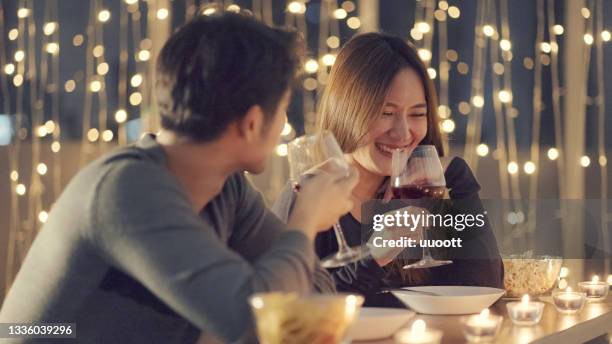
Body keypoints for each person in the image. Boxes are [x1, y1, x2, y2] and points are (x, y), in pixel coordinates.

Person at [0, 12, 356, 343]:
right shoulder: (126, 189)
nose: (283, 126)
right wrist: (306, 220)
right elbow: (252, 320)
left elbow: (313, 292)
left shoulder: (227, 187)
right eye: (282, 110)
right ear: (250, 123)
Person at [273, 33, 503, 307]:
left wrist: (460, 185)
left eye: (417, 114)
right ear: (348, 111)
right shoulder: (309, 195)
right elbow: (291, 310)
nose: (403, 133)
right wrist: (371, 259)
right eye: (385, 113)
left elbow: (486, 287)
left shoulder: (431, 188)